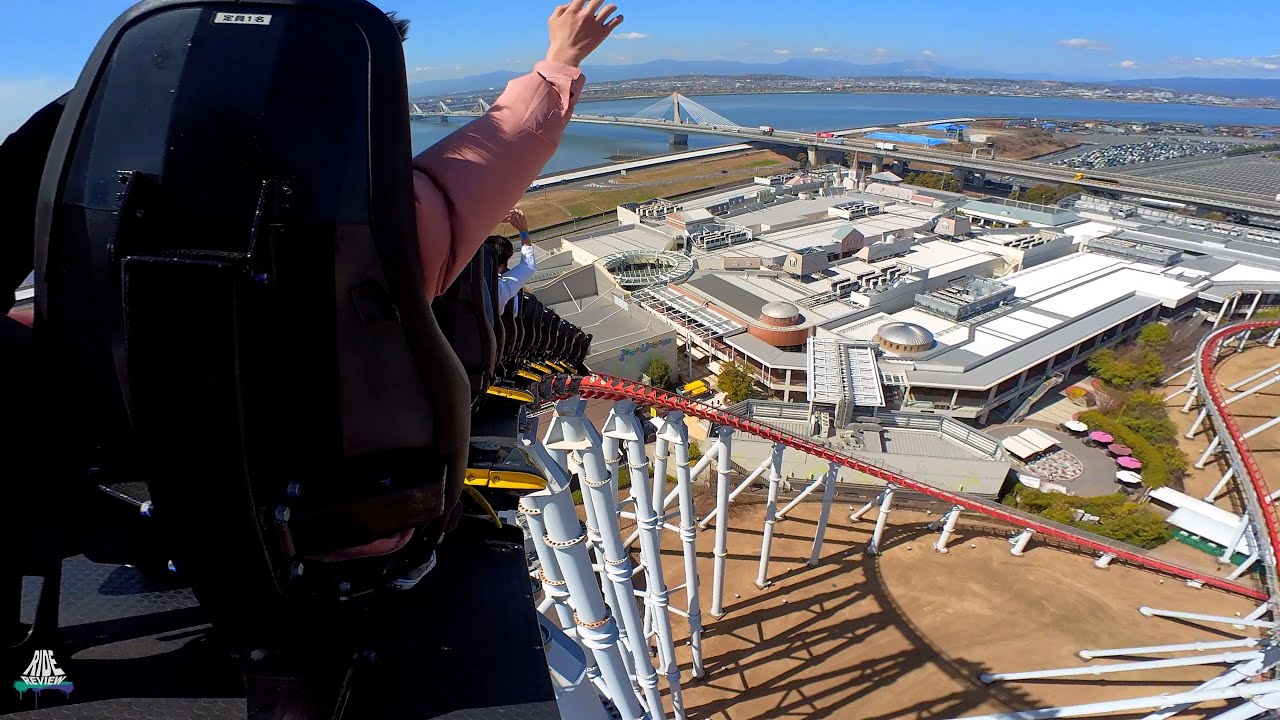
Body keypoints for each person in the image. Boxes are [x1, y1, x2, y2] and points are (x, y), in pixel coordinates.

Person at [495, 209, 536, 310]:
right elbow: (528, 266)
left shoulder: (462, 271)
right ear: (500, 266)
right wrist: (523, 231)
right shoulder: (501, 290)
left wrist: (494, 219)